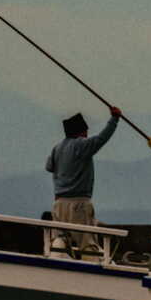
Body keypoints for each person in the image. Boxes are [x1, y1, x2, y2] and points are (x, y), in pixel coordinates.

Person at [45, 106, 121, 253]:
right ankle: (95, 273)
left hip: (59, 204)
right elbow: (101, 139)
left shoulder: (57, 148)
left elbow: (49, 167)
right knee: (88, 244)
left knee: (60, 243)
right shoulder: (81, 145)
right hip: (79, 204)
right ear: (81, 131)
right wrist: (114, 119)